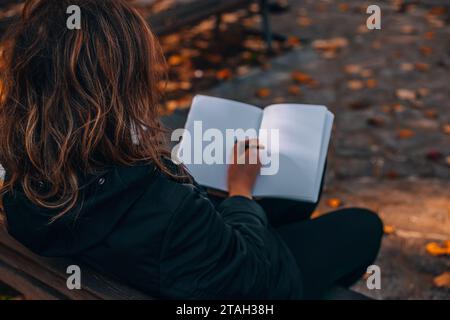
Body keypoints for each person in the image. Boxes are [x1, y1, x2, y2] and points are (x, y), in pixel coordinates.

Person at [0, 0, 383, 299]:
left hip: (153, 259)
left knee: (294, 195)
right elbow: (255, 282)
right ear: (123, 90)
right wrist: (240, 192)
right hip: (248, 284)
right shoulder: (167, 203)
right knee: (362, 226)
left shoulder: (25, 178)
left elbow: (143, 212)